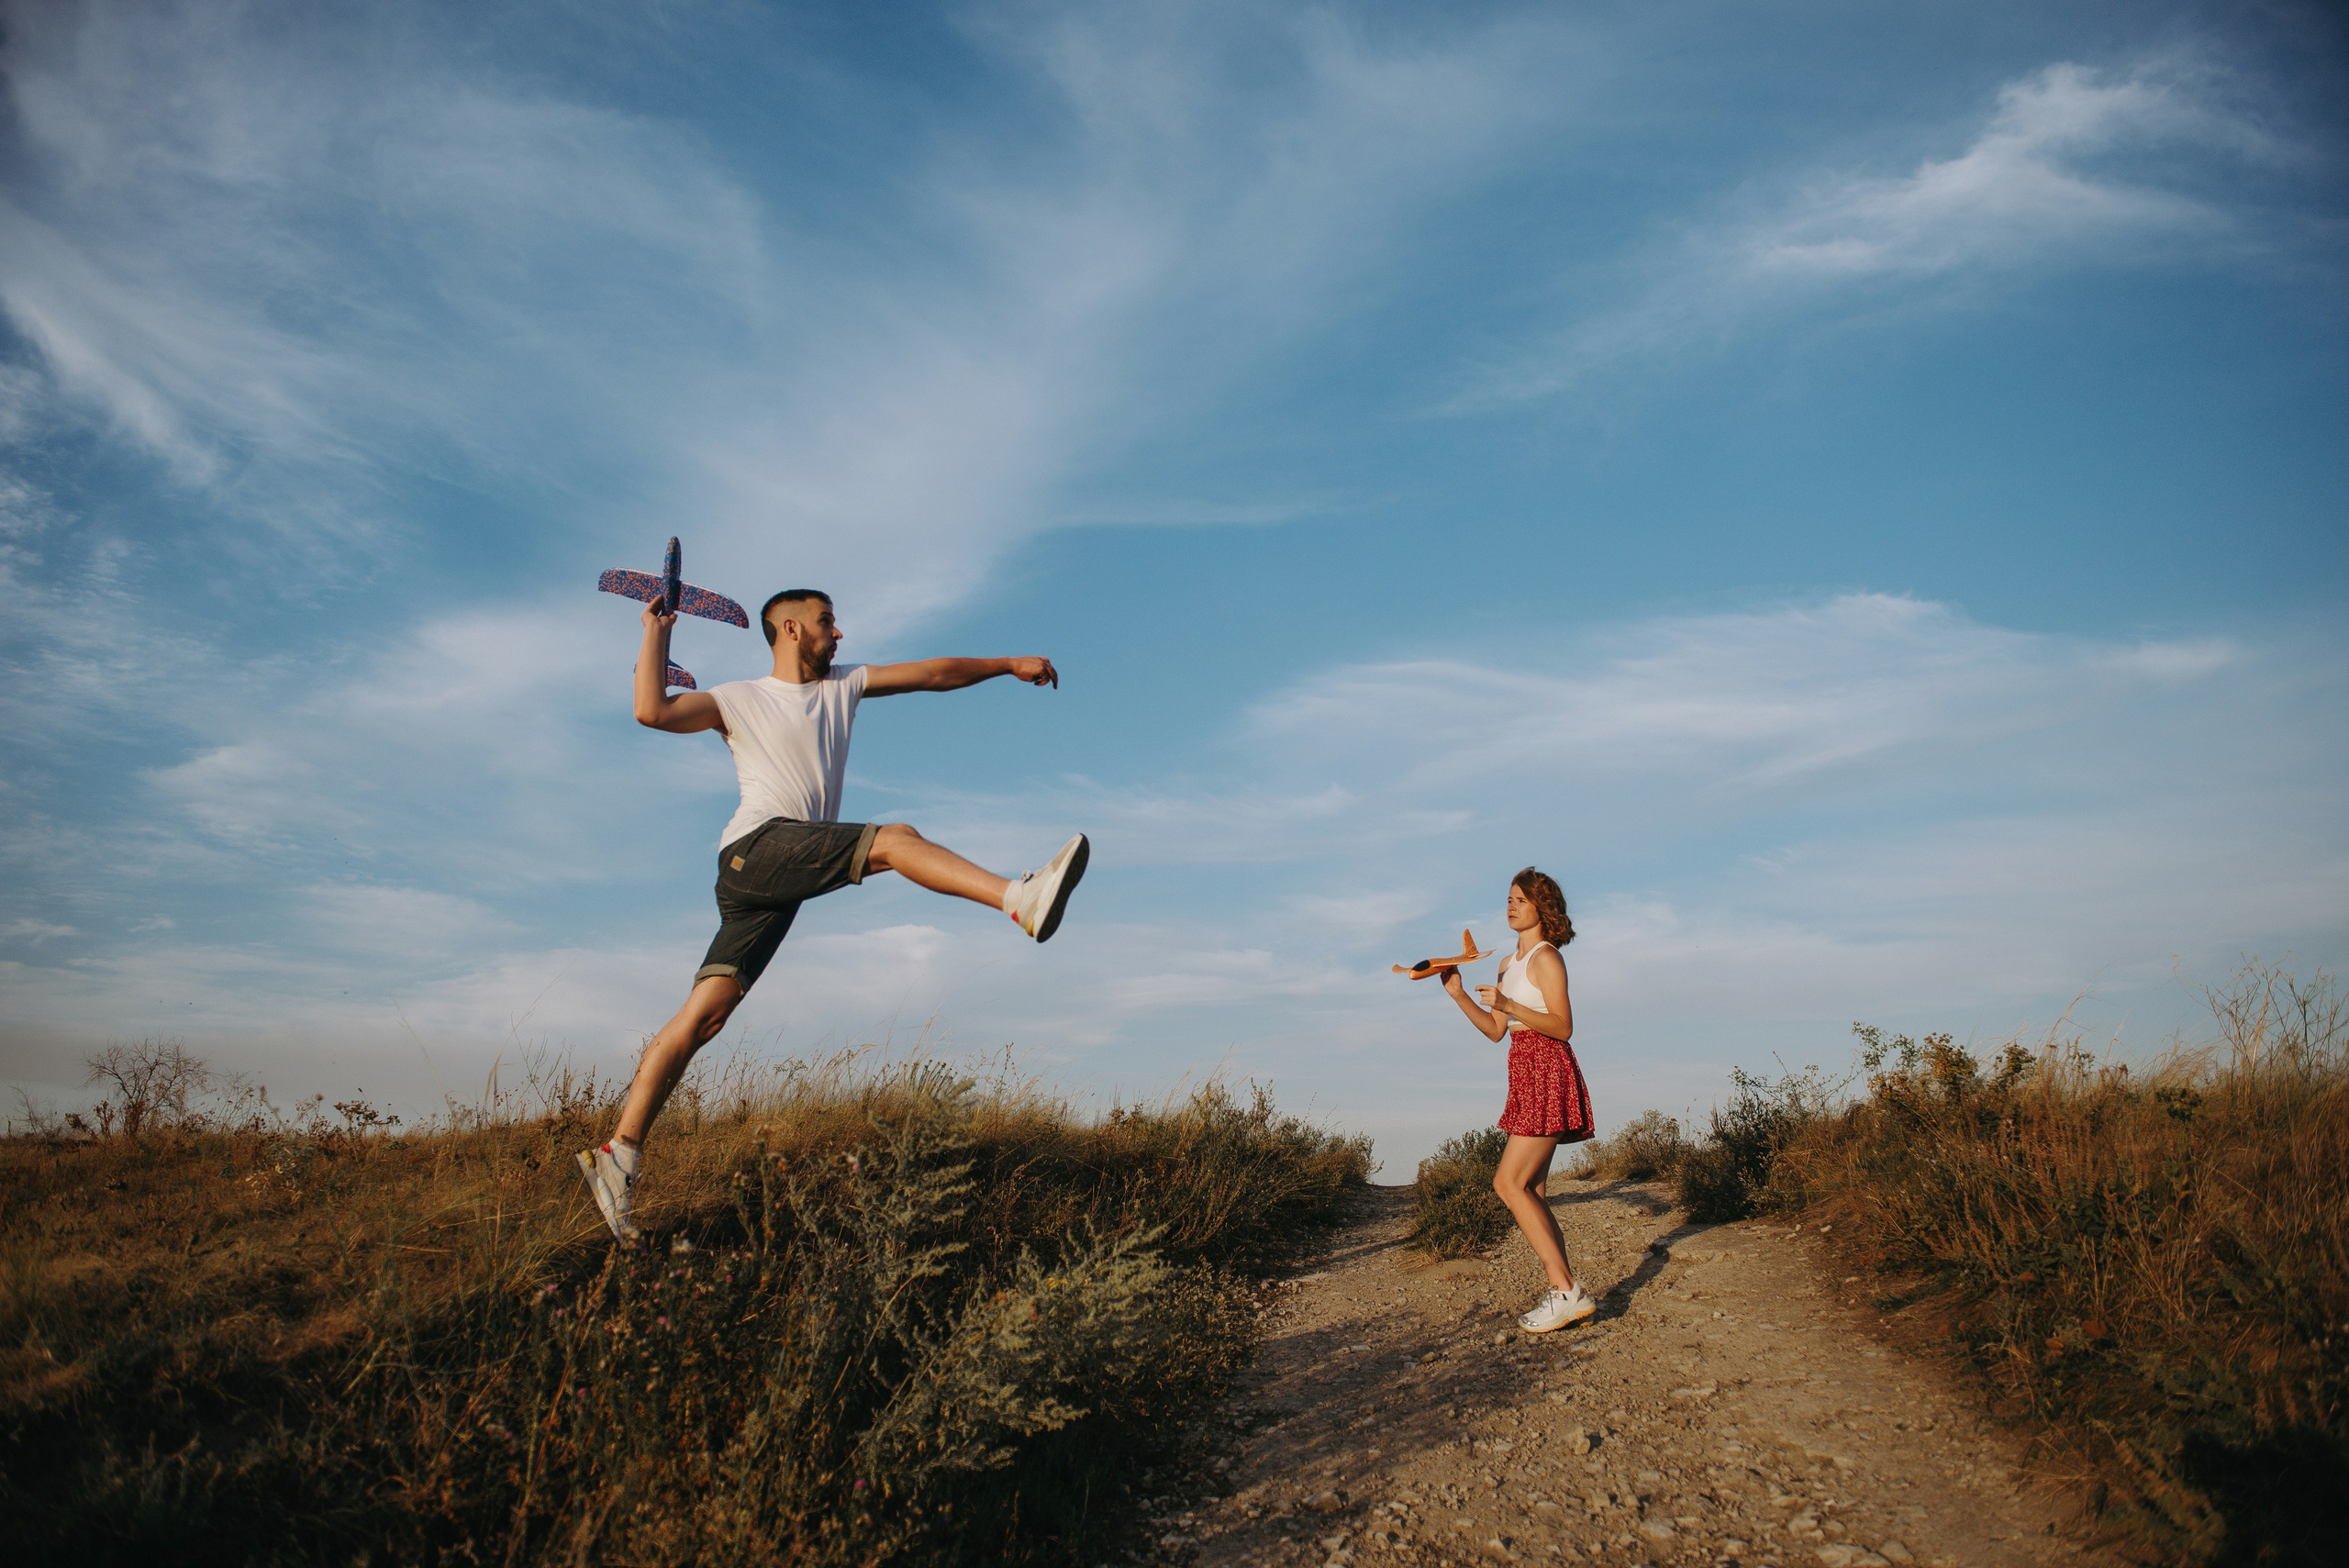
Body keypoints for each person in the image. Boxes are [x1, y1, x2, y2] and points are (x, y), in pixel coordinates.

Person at [576, 587, 1089, 1240]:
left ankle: (618, 1155)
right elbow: (651, 710)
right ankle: (1018, 899)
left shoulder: (843, 686)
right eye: (827, 622)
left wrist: (1007, 662)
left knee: (705, 1015)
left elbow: (933, 673)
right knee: (894, 840)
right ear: (791, 629)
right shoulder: (738, 698)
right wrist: (656, 629)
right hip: (758, 849)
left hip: (773, 878)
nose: (838, 633)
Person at [1425, 866, 1597, 1332]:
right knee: (1532, 1190)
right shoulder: (1507, 964)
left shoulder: (1546, 958)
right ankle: (1566, 1292)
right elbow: (1497, 1031)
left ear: (1543, 907)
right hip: (1523, 1067)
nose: (1511, 907)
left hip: (1547, 1067)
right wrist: (1459, 995)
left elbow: (1563, 1026)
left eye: (1521, 900)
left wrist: (1510, 1005)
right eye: (1509, 899)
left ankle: (1566, 1291)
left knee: (1508, 1183)